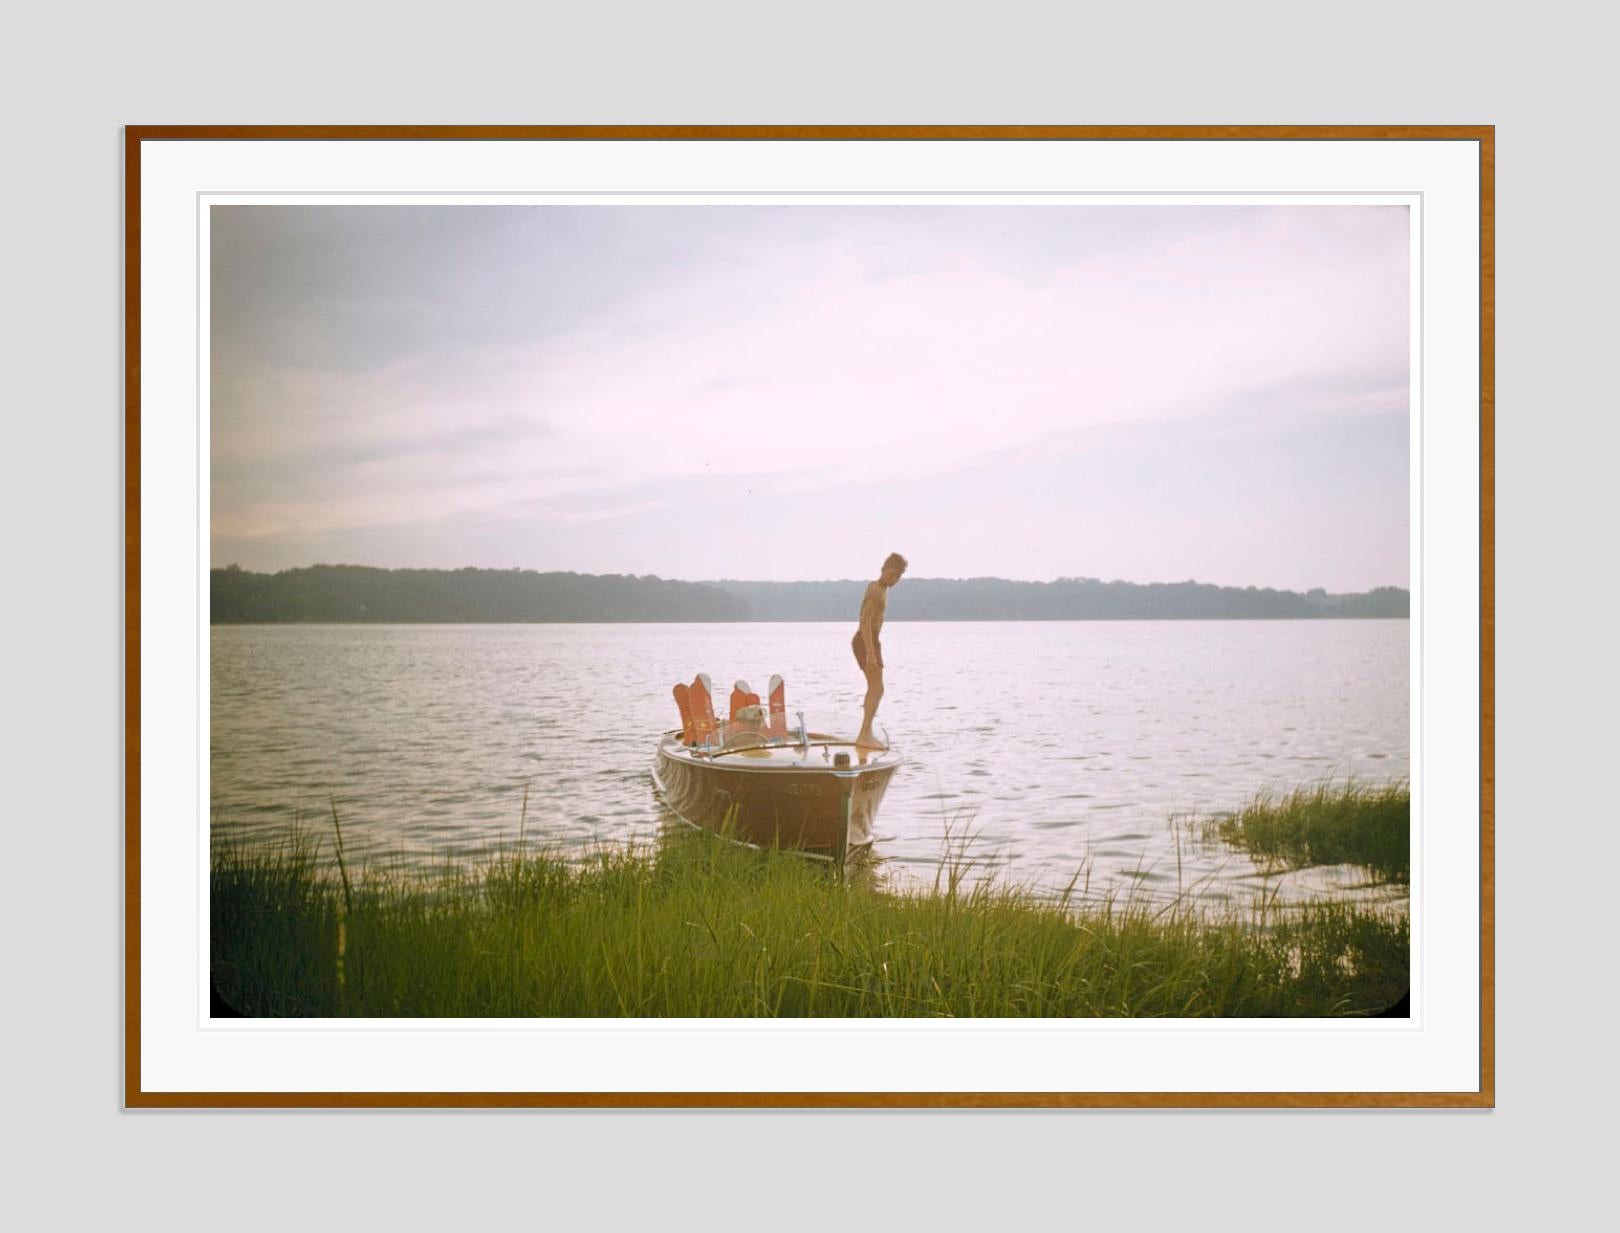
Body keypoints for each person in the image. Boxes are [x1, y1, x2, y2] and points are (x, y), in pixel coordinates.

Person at [852, 552, 907, 749]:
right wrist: (871, 654)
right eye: (892, 575)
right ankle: (864, 734)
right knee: (877, 688)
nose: (894, 580)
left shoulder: (883, 589)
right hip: (866, 640)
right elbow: (865, 621)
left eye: (898, 577)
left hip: (873, 641)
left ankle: (865, 733)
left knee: (875, 687)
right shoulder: (875, 589)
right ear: (883, 570)